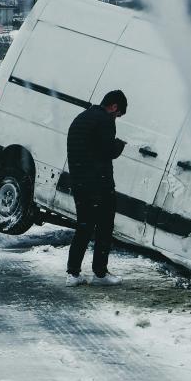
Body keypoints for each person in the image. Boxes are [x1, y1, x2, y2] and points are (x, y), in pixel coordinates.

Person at [65, 90, 128, 287]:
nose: (116, 119)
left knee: (83, 228)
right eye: (118, 115)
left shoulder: (81, 118)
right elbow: (108, 150)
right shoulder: (105, 120)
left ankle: (73, 274)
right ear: (115, 107)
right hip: (99, 185)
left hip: (79, 183)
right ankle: (100, 274)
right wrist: (120, 145)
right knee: (104, 228)